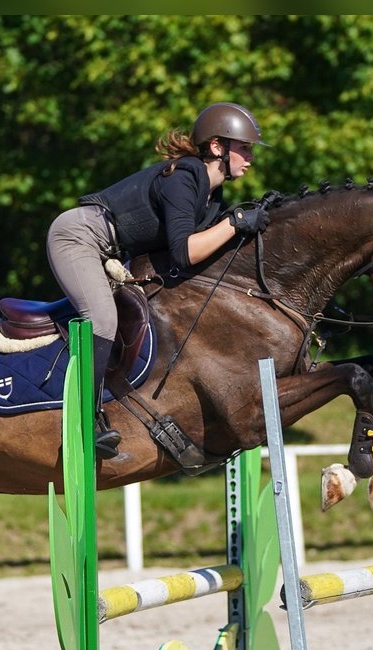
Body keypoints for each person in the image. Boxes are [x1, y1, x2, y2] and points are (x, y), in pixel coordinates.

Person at [46, 101, 270, 459]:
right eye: (244, 148)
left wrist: (241, 221)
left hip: (108, 248)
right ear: (217, 147)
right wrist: (234, 223)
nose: (250, 157)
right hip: (78, 237)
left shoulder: (211, 195)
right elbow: (184, 253)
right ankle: (82, 424)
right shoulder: (186, 177)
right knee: (103, 320)